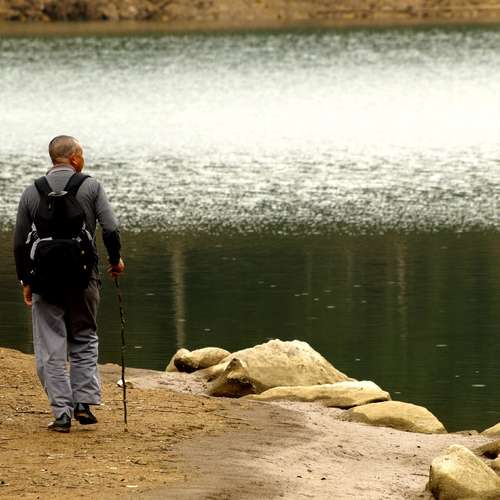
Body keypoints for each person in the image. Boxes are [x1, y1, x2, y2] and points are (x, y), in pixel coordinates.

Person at [13, 135, 125, 433]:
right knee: (84, 337)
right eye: (82, 153)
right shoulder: (91, 186)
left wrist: (26, 280)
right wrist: (115, 260)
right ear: (74, 158)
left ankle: (61, 413)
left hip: (44, 280)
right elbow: (111, 228)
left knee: (50, 345)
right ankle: (83, 403)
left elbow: (19, 242)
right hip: (84, 277)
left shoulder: (32, 192)